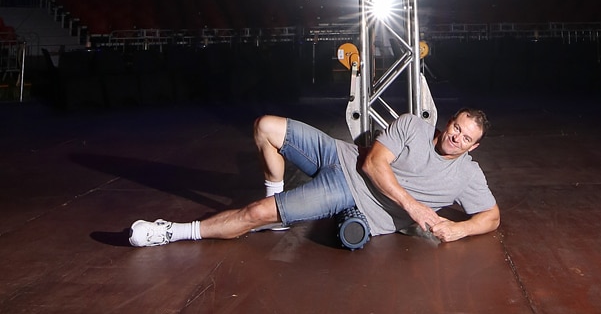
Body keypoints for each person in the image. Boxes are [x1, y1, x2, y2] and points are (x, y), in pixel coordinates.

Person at [129, 107, 500, 247]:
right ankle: (276, 202)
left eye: (466, 138)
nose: (456, 138)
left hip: (348, 194)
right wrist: (413, 207)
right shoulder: (414, 127)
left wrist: (459, 229)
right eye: (456, 127)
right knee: (265, 126)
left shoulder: (467, 175)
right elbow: (373, 164)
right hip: (341, 155)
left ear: (474, 146)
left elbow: (492, 216)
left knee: (256, 214)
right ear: (448, 121)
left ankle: (173, 231)